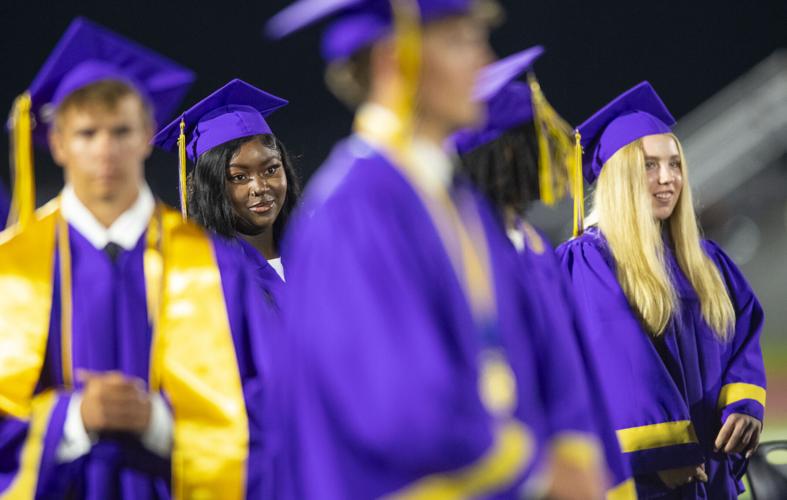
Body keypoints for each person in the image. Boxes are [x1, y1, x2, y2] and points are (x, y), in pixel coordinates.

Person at [266, 1, 607, 498]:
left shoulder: (454, 201)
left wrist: (573, 448)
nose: (484, 59)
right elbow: (396, 407)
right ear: (392, 61)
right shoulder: (353, 213)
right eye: (459, 42)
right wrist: (538, 470)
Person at [0, 17, 277, 499]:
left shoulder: (215, 267)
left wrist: (162, 423)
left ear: (147, 133)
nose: (105, 150)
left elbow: (273, 406)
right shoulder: (12, 269)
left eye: (121, 130)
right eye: (88, 134)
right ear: (58, 142)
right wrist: (72, 421)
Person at [557, 81, 766, 498]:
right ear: (619, 177)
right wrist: (664, 455)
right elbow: (621, 359)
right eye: (649, 165)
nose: (667, 178)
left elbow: (743, 333)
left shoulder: (706, 261)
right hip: (644, 479)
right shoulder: (591, 261)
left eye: (674, 164)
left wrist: (743, 407)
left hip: (711, 470)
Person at [453, 46, 635, 498]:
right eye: (538, 139)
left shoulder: (532, 245)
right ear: (508, 155)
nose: (553, 151)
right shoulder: (461, 252)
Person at [154, 78, 301, 305]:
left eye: (271, 169)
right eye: (239, 177)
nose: (260, 187)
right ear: (210, 187)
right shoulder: (206, 277)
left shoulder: (319, 250)